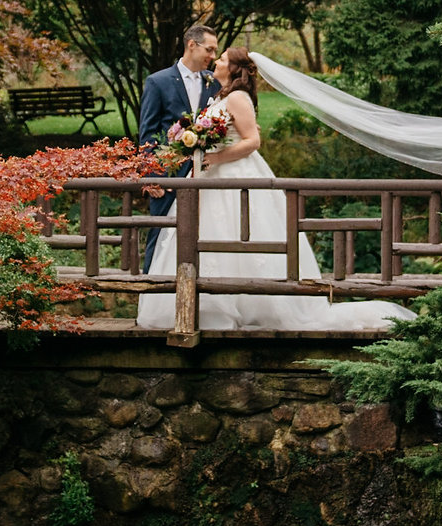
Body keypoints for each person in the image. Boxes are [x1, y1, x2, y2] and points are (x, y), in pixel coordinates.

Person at [138, 46, 416, 331]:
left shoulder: (237, 97)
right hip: (210, 178)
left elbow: (252, 141)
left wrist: (215, 157)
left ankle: (249, 306)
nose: (216, 61)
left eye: (221, 59)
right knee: (205, 236)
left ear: (233, 69)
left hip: (235, 176)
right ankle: (201, 305)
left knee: (239, 234)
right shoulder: (220, 95)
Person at [136, 24, 221, 270]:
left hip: (206, 175)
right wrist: (152, 177)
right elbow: (148, 134)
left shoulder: (213, 84)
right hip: (168, 176)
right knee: (160, 235)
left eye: (216, 51)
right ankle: (149, 295)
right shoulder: (158, 81)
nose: (213, 56)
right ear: (191, 45)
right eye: (210, 49)